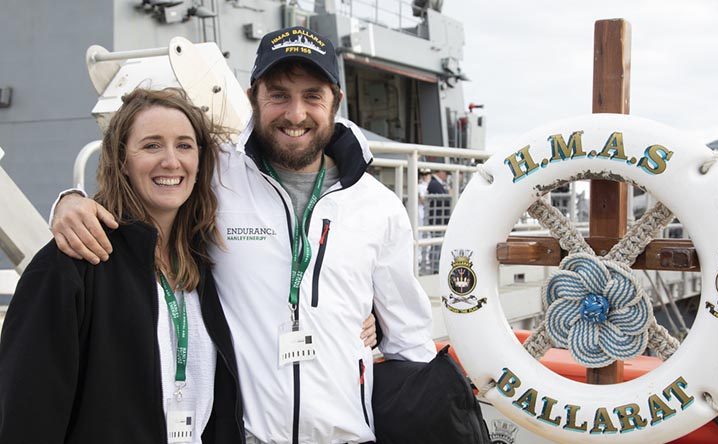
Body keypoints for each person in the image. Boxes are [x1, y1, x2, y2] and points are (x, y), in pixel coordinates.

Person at [50, 26, 435, 444]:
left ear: (336, 102)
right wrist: (70, 201)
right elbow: (143, 194)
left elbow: (409, 340)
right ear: (253, 97)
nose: (295, 113)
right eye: (279, 95)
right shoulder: (216, 174)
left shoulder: (378, 207)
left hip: (348, 436)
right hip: (244, 435)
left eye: (312, 96)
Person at [0, 88, 244, 443]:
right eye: (151, 145)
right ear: (122, 160)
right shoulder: (73, 263)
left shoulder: (206, 266)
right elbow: (26, 413)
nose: (172, 161)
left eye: (184, 145)